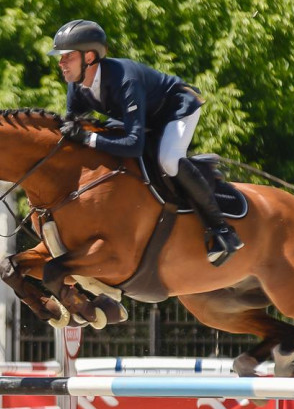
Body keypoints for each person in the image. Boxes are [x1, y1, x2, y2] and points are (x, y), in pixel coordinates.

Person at [49, 19, 243, 266]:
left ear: (88, 57)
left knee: (169, 161)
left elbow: (133, 144)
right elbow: (72, 128)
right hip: (141, 118)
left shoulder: (124, 80)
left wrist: (88, 138)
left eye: (67, 57)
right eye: (60, 57)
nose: (60, 63)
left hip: (176, 110)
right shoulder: (76, 86)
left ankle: (222, 230)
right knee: (99, 138)